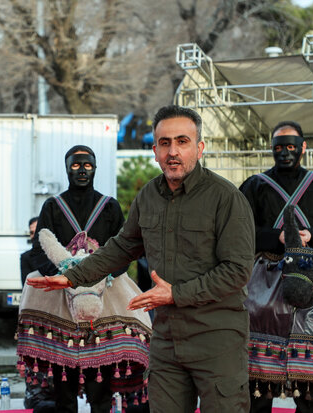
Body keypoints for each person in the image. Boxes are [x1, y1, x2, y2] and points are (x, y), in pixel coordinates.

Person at [28, 105, 256, 413]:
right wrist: (74, 276)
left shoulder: (226, 198)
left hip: (217, 337)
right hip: (166, 338)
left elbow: (237, 271)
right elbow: (123, 246)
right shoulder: (149, 195)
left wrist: (176, 293)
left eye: (182, 141)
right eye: (165, 143)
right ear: (155, 150)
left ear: (200, 147)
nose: (172, 151)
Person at [239, 120, 313, 413]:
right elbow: (237, 230)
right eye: (278, 148)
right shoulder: (254, 185)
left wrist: (311, 235)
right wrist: (275, 237)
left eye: (291, 146)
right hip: (265, 283)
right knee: (259, 382)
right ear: (271, 149)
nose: (285, 153)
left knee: (309, 380)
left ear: (303, 147)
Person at [24, 144, 132, 413]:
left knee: (101, 386)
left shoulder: (110, 206)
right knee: (64, 386)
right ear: (67, 168)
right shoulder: (52, 206)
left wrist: (104, 275)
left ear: (94, 168)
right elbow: (39, 249)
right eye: (75, 165)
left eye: (87, 165)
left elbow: (124, 249)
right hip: (61, 297)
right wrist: (62, 274)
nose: (81, 170)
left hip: (104, 297)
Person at [20, 216, 38, 286]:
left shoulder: (53, 254)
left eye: (36, 232)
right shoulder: (26, 257)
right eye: (31, 233)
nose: (33, 236)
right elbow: (26, 285)